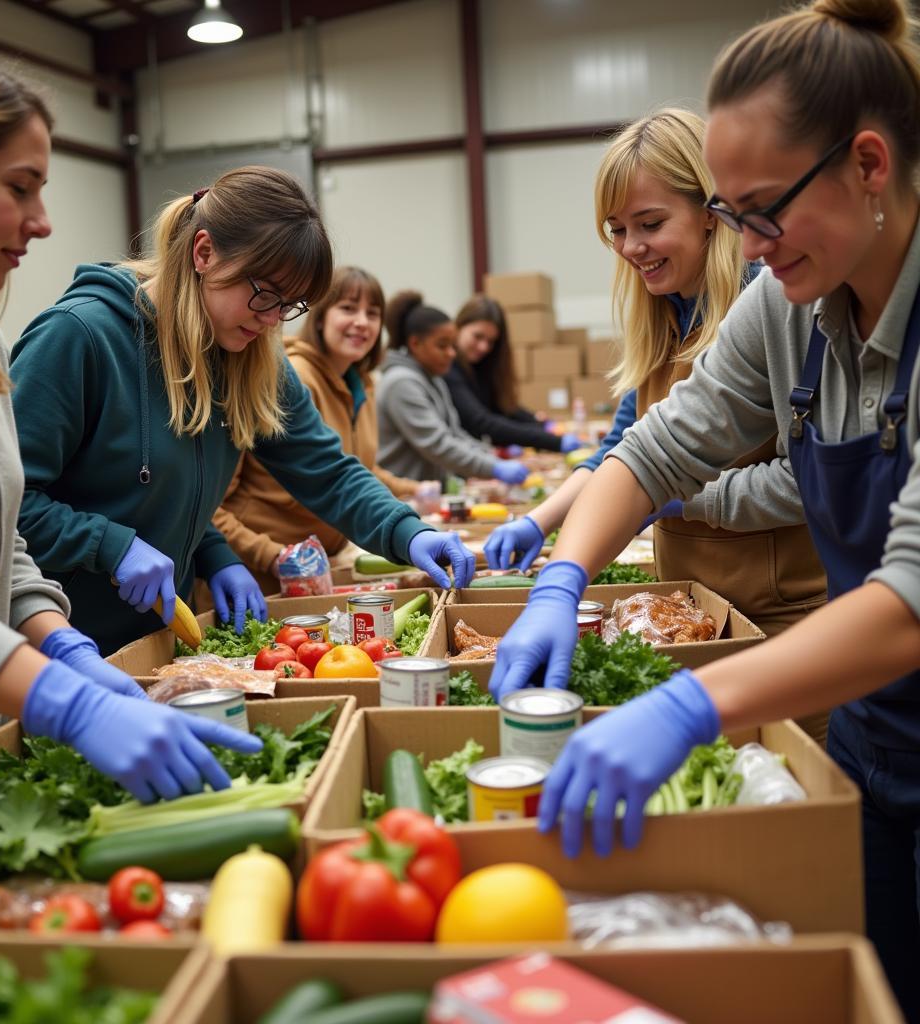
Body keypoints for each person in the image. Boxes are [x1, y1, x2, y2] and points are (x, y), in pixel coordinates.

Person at [489, 0, 920, 1014]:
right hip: (871, 731)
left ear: (868, 164)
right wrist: (562, 575)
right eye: (732, 217)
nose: (750, 245)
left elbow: (908, 596)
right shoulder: (786, 303)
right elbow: (655, 448)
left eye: (762, 209)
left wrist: (692, 703)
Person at [0, 39, 260, 798]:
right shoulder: (76, 336)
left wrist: (64, 648)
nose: (43, 221)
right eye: (20, 188)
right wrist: (63, 702)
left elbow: (3, 541)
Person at [10, 170, 474, 656]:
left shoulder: (251, 356)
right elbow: (8, 507)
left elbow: (327, 473)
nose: (273, 319)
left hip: (160, 643)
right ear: (204, 253)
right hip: (59, 643)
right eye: (265, 294)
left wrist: (408, 531)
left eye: (289, 304)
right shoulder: (78, 338)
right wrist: (109, 545)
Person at [485, 108, 826, 644]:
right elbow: (629, 451)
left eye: (650, 224)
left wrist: (680, 498)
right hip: (685, 608)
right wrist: (540, 522)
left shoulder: (772, 308)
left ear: (711, 211)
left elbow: (809, 480)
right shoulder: (662, 314)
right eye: (617, 230)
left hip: (779, 614)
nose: (629, 248)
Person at [212, 265, 427, 595]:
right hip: (258, 582)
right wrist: (271, 556)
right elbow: (215, 506)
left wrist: (412, 498)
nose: (361, 322)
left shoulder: (362, 385)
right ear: (321, 316)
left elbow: (352, 467)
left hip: (318, 573)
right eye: (348, 308)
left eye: (373, 313)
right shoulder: (291, 378)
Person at [377, 291, 530, 487]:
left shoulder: (435, 379)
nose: (451, 354)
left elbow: (454, 434)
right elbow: (439, 444)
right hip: (405, 497)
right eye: (442, 346)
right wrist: (494, 468)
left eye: (452, 345)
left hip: (430, 492)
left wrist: (491, 456)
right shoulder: (400, 383)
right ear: (415, 343)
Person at [445, 295, 581, 454]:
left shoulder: (478, 366)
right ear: (459, 327)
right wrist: (552, 441)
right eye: (478, 336)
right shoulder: (448, 368)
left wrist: (540, 424)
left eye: (491, 342)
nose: (483, 347)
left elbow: (503, 407)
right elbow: (481, 421)